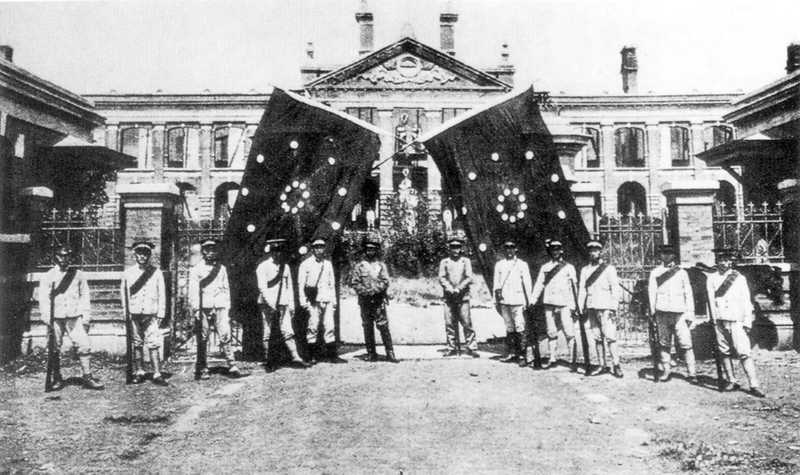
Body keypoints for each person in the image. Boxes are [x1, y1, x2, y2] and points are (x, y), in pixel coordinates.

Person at [38, 246, 104, 390]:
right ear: (56, 257)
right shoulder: (48, 276)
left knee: (84, 345)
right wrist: (47, 317)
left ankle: (87, 376)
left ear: (70, 258)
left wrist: (86, 316)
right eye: (61, 256)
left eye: (67, 256)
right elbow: (43, 299)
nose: (64, 259)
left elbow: (84, 296)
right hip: (55, 317)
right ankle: (57, 377)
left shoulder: (78, 275)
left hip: (74, 317)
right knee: (54, 347)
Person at [706, 248, 765, 398]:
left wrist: (747, 321)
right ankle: (731, 380)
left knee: (744, 352)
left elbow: (746, 301)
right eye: (721, 260)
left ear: (731, 261)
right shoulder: (711, 278)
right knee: (723, 351)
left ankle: (754, 384)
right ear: (717, 261)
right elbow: (710, 301)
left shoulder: (739, 278)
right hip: (719, 319)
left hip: (736, 319)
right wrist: (713, 320)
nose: (724, 263)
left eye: (727, 260)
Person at [188, 239, 241, 380]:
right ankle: (203, 367)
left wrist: (227, 306)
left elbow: (226, 289)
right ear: (203, 251)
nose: (210, 252)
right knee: (203, 337)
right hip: (203, 306)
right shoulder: (196, 270)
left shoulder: (221, 268)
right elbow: (193, 292)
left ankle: (232, 364)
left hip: (220, 305)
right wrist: (196, 310)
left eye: (213, 249)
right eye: (207, 249)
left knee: (225, 334)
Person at [256, 238, 310, 370]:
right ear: (270, 252)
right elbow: (262, 288)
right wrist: (271, 304)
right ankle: (269, 360)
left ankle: (295, 357)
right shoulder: (263, 267)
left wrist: (291, 305)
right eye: (275, 251)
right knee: (268, 332)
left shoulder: (285, 267)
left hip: (283, 303)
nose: (278, 254)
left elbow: (289, 287)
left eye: (280, 251)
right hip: (268, 304)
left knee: (287, 330)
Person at [647, 244, 697, 384]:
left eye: (669, 253)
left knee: (686, 344)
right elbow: (652, 293)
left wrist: (690, 314)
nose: (666, 256)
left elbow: (688, 293)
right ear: (660, 256)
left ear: (674, 255)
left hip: (679, 313)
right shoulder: (655, 273)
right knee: (664, 344)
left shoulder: (682, 273)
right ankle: (666, 371)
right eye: (663, 253)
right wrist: (653, 313)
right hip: (662, 312)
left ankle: (692, 373)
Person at [121, 241, 168, 386]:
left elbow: (162, 293)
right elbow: (124, 294)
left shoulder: (156, 272)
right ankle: (139, 371)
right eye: (139, 253)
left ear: (149, 255)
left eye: (145, 253)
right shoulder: (128, 273)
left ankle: (157, 373)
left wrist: (161, 313)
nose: (142, 256)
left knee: (154, 343)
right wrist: (125, 312)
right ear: (135, 254)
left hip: (151, 313)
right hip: (134, 312)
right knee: (137, 343)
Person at [350, 233, 398, 363]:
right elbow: (355, 282)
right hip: (365, 301)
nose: (370, 251)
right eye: (368, 249)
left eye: (373, 249)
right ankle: (371, 353)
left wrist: (375, 291)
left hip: (378, 300)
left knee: (383, 326)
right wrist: (365, 292)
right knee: (367, 326)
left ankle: (390, 353)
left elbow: (385, 281)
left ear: (376, 250)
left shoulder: (381, 265)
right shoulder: (359, 266)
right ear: (365, 250)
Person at [578, 240, 623, 377]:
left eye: (596, 251)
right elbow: (582, 290)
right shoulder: (585, 270)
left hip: (606, 307)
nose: (593, 253)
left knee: (610, 337)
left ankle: (616, 365)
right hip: (592, 307)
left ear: (600, 252)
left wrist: (613, 307)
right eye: (591, 251)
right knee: (597, 338)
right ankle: (601, 365)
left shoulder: (608, 269)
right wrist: (580, 307)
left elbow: (615, 288)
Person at [531, 240, 577, 369]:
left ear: (561, 250)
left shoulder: (569, 267)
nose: (555, 252)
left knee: (569, 331)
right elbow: (539, 284)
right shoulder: (545, 267)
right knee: (551, 331)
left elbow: (574, 288)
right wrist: (533, 299)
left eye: (557, 249)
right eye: (553, 249)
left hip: (564, 302)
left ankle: (572, 360)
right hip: (549, 302)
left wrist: (574, 305)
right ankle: (552, 358)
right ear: (550, 251)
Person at [298, 238, 342, 363]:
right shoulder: (305, 264)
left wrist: (334, 301)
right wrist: (303, 301)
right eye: (317, 247)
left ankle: (332, 355)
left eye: (321, 247)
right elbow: (301, 285)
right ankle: (310, 356)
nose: (319, 250)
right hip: (313, 300)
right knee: (313, 326)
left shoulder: (327, 264)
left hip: (327, 298)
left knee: (329, 327)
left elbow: (331, 284)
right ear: (312, 249)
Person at [437, 231, 478, 358]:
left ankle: (471, 347)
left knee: (466, 323)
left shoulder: (466, 261)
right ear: (449, 248)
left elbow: (469, 277)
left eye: (458, 246)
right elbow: (442, 277)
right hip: (449, 297)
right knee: (449, 323)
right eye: (453, 246)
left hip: (463, 297)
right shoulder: (445, 262)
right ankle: (451, 347)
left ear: (461, 248)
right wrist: (450, 289)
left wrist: (459, 289)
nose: (456, 249)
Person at [492, 240, 533, 366]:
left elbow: (527, 283)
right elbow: (496, 283)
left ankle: (522, 355)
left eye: (512, 248)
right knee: (509, 327)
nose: (509, 250)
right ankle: (511, 353)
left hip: (518, 300)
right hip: (504, 300)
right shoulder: (499, 264)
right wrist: (495, 300)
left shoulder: (522, 264)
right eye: (507, 248)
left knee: (520, 326)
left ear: (516, 249)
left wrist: (528, 300)